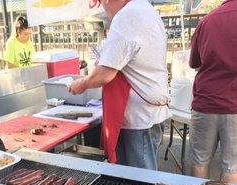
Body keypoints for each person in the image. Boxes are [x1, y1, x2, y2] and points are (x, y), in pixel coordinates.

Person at [68, 0, 170, 170]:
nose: (103, 7)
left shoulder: (127, 16)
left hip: (139, 118)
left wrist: (82, 83)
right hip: (149, 111)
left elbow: (104, 74)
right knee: (135, 176)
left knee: (140, 181)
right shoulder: (146, 8)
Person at [189, 1, 237, 184]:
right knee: (232, 167)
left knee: (199, 161)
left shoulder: (208, 20)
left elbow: (194, 62)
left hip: (206, 102)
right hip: (235, 107)